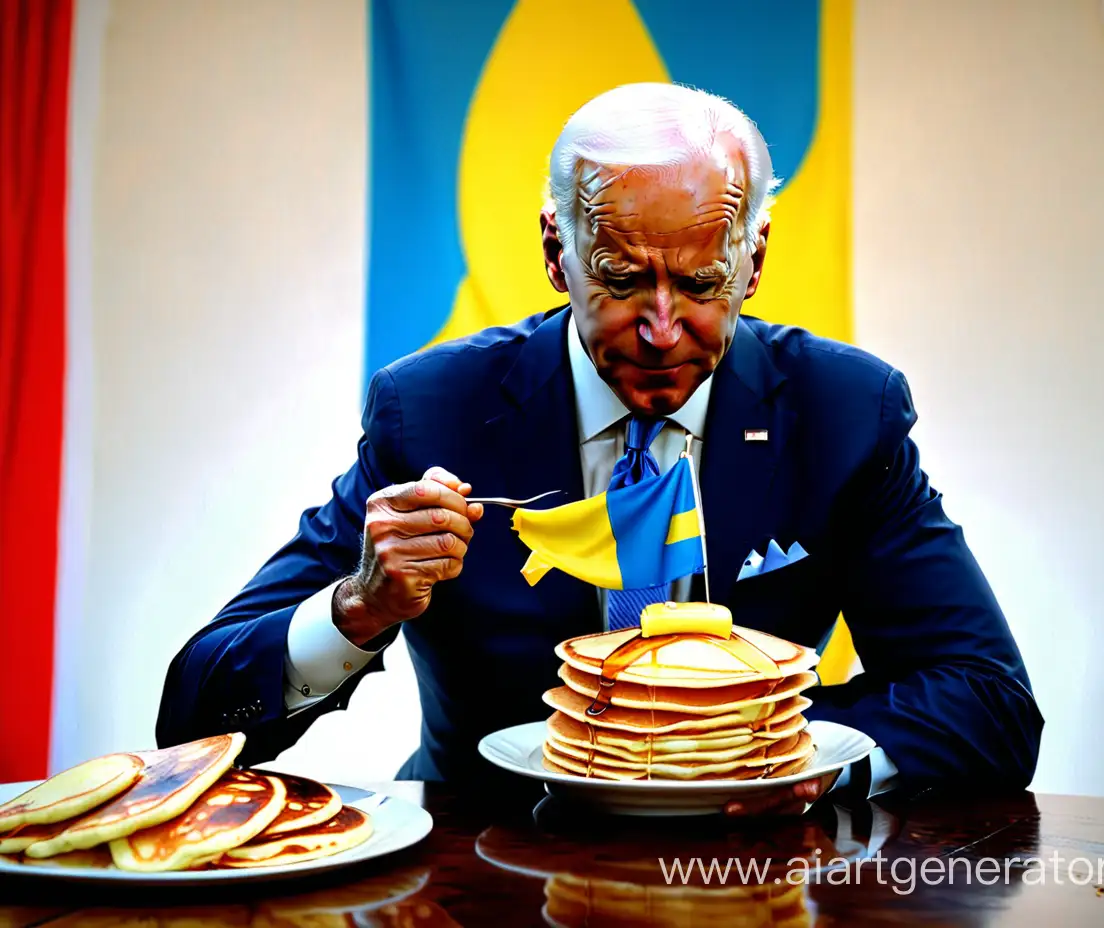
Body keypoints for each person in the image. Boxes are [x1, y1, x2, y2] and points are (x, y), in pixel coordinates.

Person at [157, 83, 1043, 812]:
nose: (663, 330)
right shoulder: (431, 413)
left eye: (702, 283)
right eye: (621, 280)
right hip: (482, 870)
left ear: (754, 259)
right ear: (557, 251)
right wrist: (357, 606)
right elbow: (194, 716)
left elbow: (992, 702)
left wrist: (796, 763)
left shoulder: (844, 412)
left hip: (758, 878)